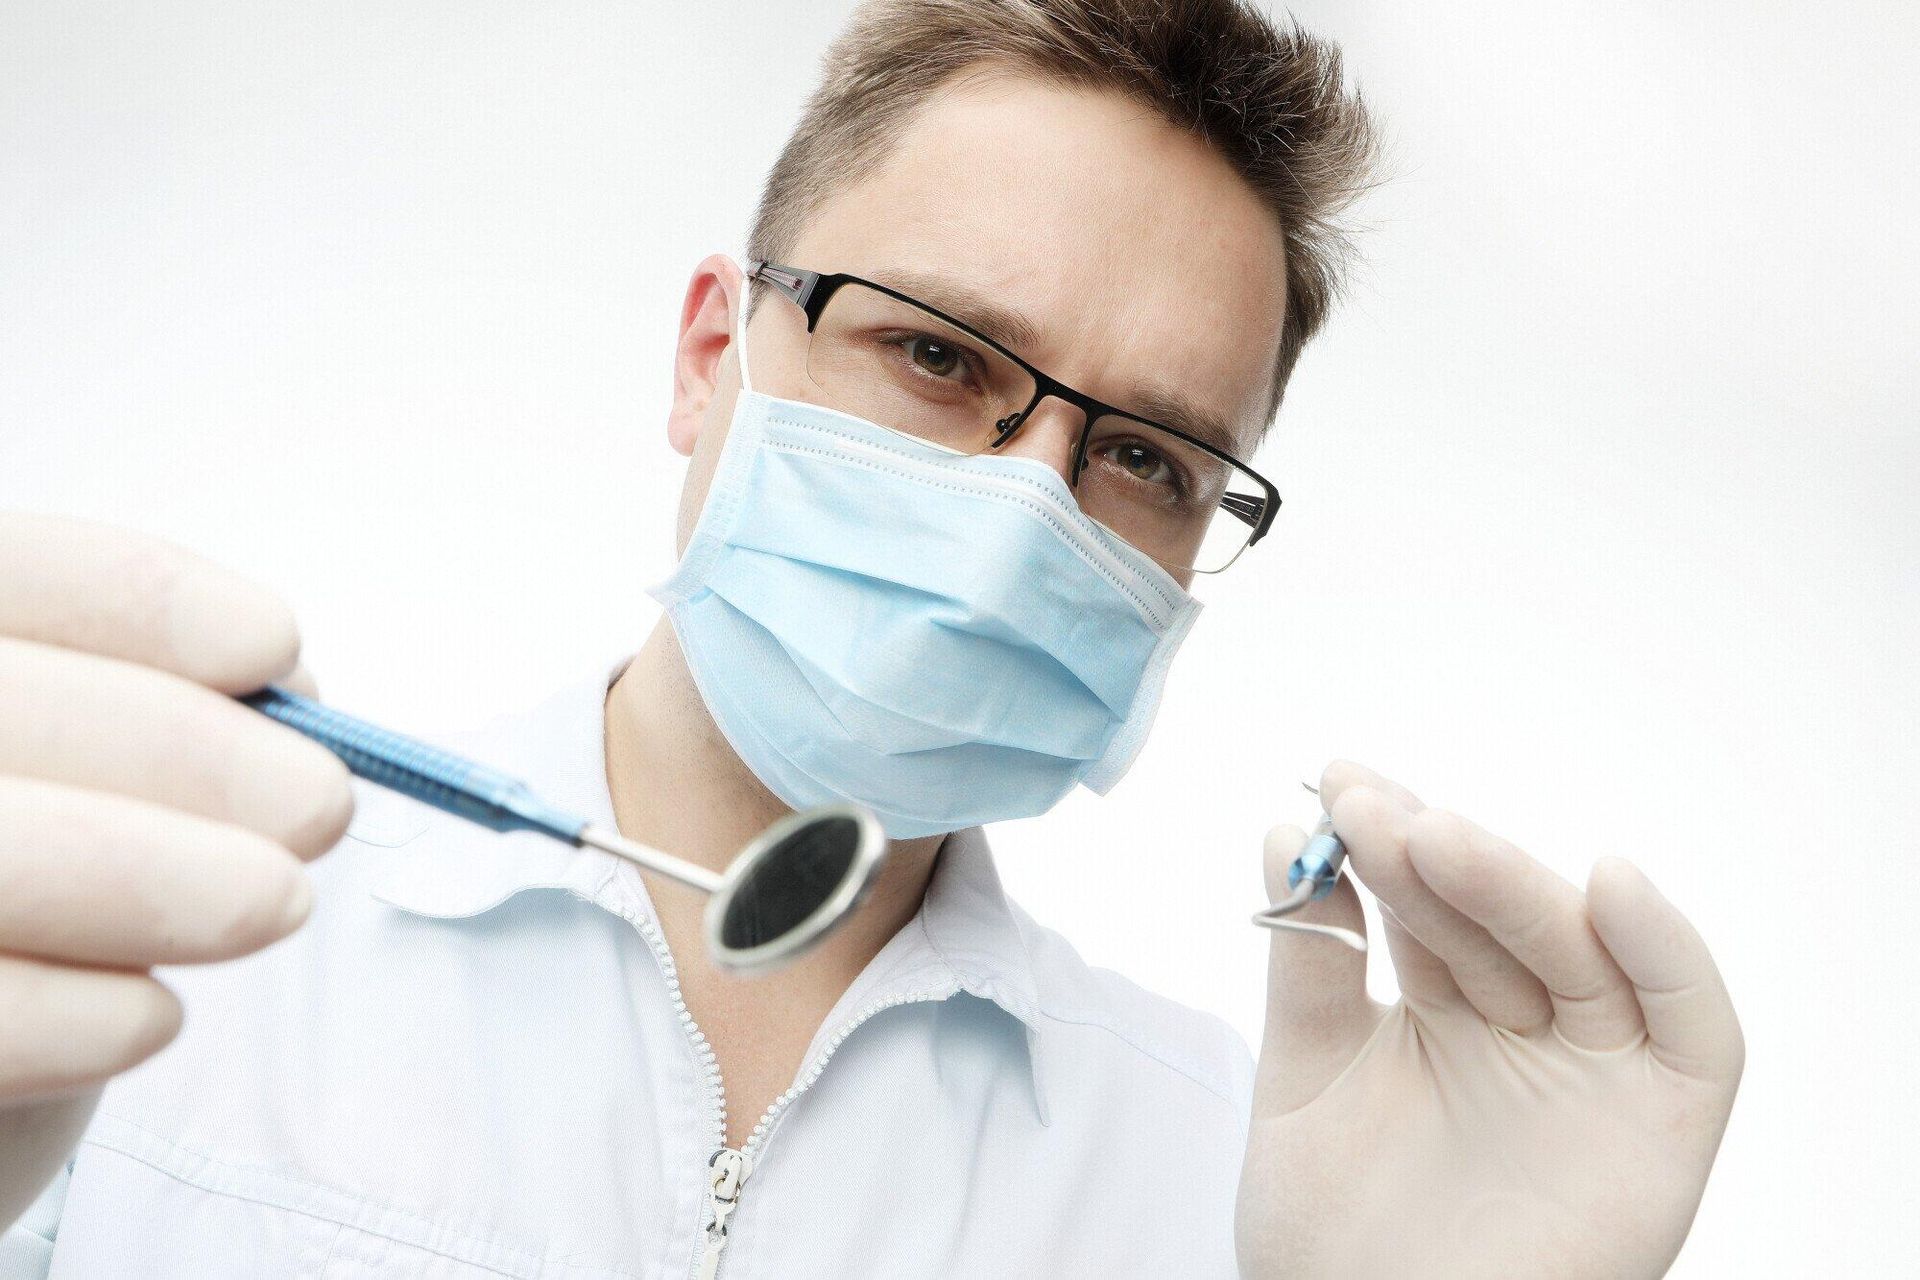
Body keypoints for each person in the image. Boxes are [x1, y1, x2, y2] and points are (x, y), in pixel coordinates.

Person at [0, 1, 1743, 1275]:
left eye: (1144, 456)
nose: (1021, 517)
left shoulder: (1238, 1181)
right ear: (709, 357)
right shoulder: (170, 959)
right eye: (938, 356)